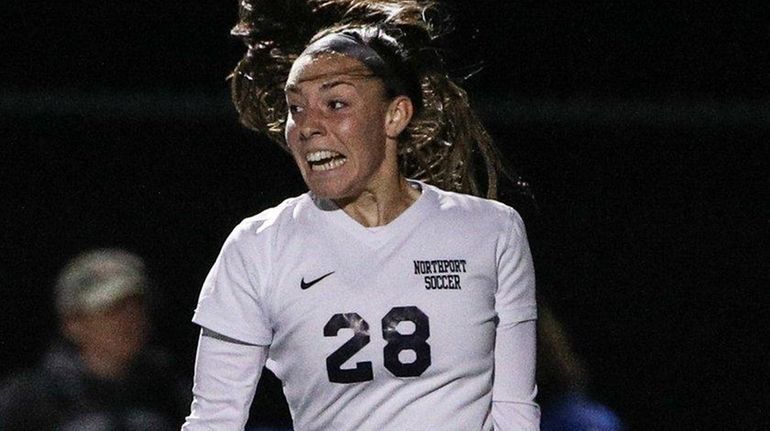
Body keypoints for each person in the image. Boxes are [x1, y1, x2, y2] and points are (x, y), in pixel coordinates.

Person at [183, 1, 538, 429]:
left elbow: (517, 412)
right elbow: (213, 420)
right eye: (296, 107)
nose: (307, 126)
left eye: (335, 104)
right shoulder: (259, 246)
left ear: (395, 115)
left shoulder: (491, 231)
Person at [0, 249, 189, 431]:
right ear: (72, 322)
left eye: (137, 308)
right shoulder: (28, 401)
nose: (130, 321)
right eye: (113, 310)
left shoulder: (175, 396)